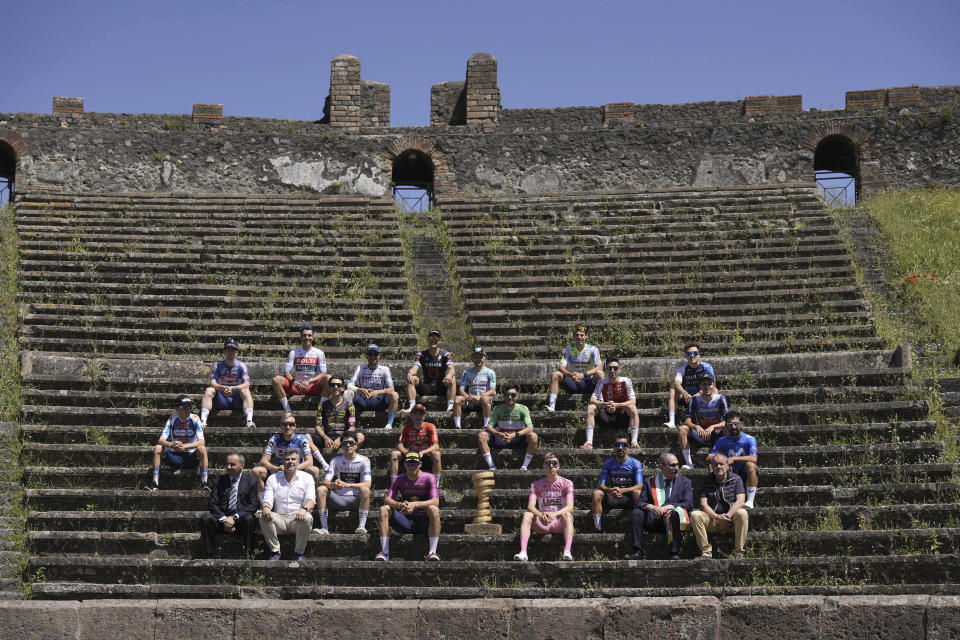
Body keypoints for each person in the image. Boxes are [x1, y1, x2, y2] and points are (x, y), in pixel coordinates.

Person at [376, 451, 441, 561]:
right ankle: (385, 552)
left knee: (434, 509)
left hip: (423, 520)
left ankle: (432, 552)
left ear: (420, 464)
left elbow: (435, 501)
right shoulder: (399, 479)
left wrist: (414, 505)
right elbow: (387, 499)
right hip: (405, 520)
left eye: (414, 463)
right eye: (409, 463)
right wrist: (400, 505)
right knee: (384, 509)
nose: (411, 466)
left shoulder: (429, 478)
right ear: (404, 464)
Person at [627, 452, 694, 560]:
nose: (676, 468)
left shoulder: (685, 482)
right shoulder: (650, 482)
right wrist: (651, 507)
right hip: (653, 519)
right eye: (672, 465)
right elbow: (640, 502)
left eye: (677, 464)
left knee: (677, 513)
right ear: (661, 467)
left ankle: (674, 552)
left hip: (673, 520)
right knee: (637, 512)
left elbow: (688, 504)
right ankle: (637, 551)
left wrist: (666, 508)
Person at [513, 452, 575, 561]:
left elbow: (570, 507)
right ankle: (523, 552)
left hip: (559, 521)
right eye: (548, 463)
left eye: (554, 463)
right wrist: (541, 515)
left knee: (567, 514)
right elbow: (530, 506)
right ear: (544, 466)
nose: (551, 466)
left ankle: (567, 551)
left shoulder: (567, 483)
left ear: (558, 466)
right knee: (527, 515)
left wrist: (554, 514)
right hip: (542, 521)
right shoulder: (536, 484)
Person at [260, 448, 316, 563]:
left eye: (293, 459)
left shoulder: (307, 478)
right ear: (282, 462)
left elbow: (311, 500)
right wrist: (266, 508)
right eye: (287, 459)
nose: (290, 461)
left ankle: (298, 553)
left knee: (308, 517)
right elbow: (268, 498)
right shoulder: (273, 478)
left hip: (297, 518)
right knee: (263, 516)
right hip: (279, 519)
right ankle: (275, 552)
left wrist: (304, 509)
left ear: (298, 462)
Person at [199, 452, 260, 556]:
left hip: (241, 520)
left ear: (242, 466)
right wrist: (224, 519)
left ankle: (249, 554)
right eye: (227, 464)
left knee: (249, 519)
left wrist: (234, 518)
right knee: (206, 519)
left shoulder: (251, 481)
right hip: (222, 520)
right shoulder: (219, 481)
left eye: (232, 464)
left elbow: (253, 505)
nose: (228, 467)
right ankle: (209, 554)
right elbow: (212, 503)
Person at [690, 452, 749, 558]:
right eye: (715, 464)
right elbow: (703, 505)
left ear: (727, 466)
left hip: (731, 521)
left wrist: (727, 517)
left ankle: (739, 552)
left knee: (742, 513)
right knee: (695, 515)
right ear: (711, 467)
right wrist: (717, 518)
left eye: (721, 464)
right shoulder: (707, 481)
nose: (718, 467)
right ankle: (706, 552)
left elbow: (740, 501)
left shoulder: (736, 479)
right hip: (713, 520)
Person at [144, 396, 208, 491]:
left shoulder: (195, 418)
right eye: (185, 407)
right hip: (175, 457)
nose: (188, 409)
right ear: (177, 408)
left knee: (202, 449)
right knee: (158, 448)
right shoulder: (172, 419)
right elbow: (161, 440)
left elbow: (202, 442)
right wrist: (171, 444)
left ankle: (204, 483)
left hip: (191, 457)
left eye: (190, 406)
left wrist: (185, 446)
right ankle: (155, 483)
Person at [252, 413, 325, 496]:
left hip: (298, 470)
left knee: (314, 470)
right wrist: (275, 468)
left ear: (295, 426)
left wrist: (292, 468)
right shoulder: (275, 439)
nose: (288, 427)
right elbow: (263, 461)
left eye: (291, 424)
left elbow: (309, 462)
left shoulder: (302, 439)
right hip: (280, 470)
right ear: (280, 426)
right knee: (257, 471)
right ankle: (262, 501)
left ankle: (312, 498)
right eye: (285, 424)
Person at [315, 435, 372, 535]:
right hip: (339, 499)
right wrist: (333, 485)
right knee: (321, 489)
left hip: (357, 500)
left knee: (365, 490)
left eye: (351, 443)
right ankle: (324, 528)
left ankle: (362, 527)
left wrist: (347, 485)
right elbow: (326, 482)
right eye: (345, 443)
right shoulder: (335, 460)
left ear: (356, 446)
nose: (348, 445)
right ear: (341, 446)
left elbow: (368, 484)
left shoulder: (365, 460)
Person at [582, 357, 639, 449]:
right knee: (591, 407)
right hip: (607, 418)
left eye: (615, 368)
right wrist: (605, 404)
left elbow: (633, 401)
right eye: (609, 368)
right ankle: (588, 443)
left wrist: (616, 405)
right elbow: (592, 400)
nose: (612, 370)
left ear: (620, 370)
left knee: (632, 408)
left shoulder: (626, 381)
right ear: (606, 370)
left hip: (622, 417)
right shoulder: (601, 382)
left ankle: (634, 442)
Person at [590, 435, 643, 532]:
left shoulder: (636, 463)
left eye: (624, 445)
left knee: (637, 493)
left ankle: (638, 527)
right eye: (617, 445)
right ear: (613, 447)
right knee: (596, 493)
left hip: (628, 497)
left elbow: (640, 485)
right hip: (613, 495)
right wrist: (609, 490)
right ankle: (597, 527)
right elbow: (602, 484)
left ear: (628, 447)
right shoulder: (607, 463)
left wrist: (622, 490)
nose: (620, 447)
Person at [478, 385, 538, 471]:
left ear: (517, 396)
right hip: (501, 439)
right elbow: (489, 426)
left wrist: (514, 435)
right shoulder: (497, 408)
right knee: (482, 435)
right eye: (507, 395)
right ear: (503, 396)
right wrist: (499, 434)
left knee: (534, 436)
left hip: (517, 439)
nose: (510, 397)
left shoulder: (523, 409)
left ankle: (524, 466)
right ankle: (491, 466)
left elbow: (530, 428)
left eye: (513, 395)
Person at [272, 324, 330, 412]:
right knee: (276, 380)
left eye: (309, 335)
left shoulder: (319, 353)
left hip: (313, 386)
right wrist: (294, 381)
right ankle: (288, 410)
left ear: (313, 338)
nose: (307, 337)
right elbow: (286, 372)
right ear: (301, 338)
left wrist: (309, 381)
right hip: (297, 386)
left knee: (328, 378)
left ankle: (321, 409)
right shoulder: (294, 352)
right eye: (304, 335)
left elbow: (324, 373)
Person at [199, 338, 255, 429]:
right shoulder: (218, 366)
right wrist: (223, 388)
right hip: (222, 399)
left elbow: (247, 384)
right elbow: (212, 383)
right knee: (209, 390)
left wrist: (233, 388)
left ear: (236, 353)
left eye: (232, 350)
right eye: (228, 350)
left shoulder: (241, 366)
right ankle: (203, 421)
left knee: (246, 391)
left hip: (237, 399)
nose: (230, 353)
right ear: (224, 352)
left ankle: (249, 421)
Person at [676, 373, 728, 470]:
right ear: (700, 386)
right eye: (704, 384)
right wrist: (696, 427)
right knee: (682, 429)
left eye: (709, 384)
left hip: (716, 434)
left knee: (728, 428)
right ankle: (689, 463)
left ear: (714, 385)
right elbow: (687, 421)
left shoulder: (721, 398)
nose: (707, 387)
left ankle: (727, 460)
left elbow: (727, 421)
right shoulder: (694, 400)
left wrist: (713, 427)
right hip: (700, 434)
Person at [708, 411, 759, 508]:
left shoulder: (750, 439)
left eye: (736, 424)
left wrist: (734, 459)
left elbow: (754, 458)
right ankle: (713, 497)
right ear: (726, 426)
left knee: (751, 465)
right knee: (711, 466)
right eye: (730, 425)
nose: (733, 427)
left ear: (742, 425)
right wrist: (724, 463)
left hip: (745, 471)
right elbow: (709, 457)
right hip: (728, 472)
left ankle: (750, 501)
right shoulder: (721, 441)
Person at [545, 325, 602, 411]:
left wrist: (584, 374)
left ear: (586, 336)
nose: (579, 337)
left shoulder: (593, 349)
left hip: (588, 383)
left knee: (600, 373)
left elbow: (599, 367)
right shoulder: (568, 349)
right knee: (555, 374)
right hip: (573, 382)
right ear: (573, 336)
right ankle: (552, 406)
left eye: (582, 335)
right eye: (577, 335)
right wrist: (570, 375)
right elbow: (561, 367)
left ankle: (602, 404)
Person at [664, 342, 714, 429]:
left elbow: (713, 384)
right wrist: (685, 393)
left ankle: (714, 419)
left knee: (715, 391)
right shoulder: (682, 369)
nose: (692, 356)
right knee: (673, 391)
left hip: (702, 395)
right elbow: (677, 383)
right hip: (687, 398)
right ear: (686, 356)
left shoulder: (706, 367)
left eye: (694, 353)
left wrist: (700, 393)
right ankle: (672, 421)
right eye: (689, 354)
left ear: (699, 355)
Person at [348, 344, 399, 429]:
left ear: (379, 356)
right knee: (348, 393)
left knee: (395, 395)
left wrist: (377, 392)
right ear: (366, 356)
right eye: (370, 354)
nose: (372, 356)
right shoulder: (360, 368)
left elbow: (391, 389)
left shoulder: (384, 369)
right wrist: (360, 389)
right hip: (363, 401)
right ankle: (350, 424)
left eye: (375, 354)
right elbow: (349, 386)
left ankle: (389, 424)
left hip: (379, 402)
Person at [406, 329, 456, 412]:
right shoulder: (421, 354)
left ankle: (450, 406)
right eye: (431, 338)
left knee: (452, 378)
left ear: (440, 340)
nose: (433, 340)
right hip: (427, 386)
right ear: (428, 340)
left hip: (441, 386)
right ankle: (412, 406)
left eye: (436, 338)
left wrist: (449, 375)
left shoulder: (445, 354)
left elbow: (451, 368)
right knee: (412, 377)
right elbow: (415, 367)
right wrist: (410, 373)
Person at [313, 375, 364, 453]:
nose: (336, 387)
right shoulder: (322, 405)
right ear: (329, 388)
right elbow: (317, 426)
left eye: (339, 385)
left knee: (360, 437)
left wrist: (340, 439)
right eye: (332, 385)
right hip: (327, 438)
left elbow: (352, 427)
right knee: (307, 437)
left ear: (343, 388)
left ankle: (350, 457)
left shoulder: (349, 405)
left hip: (344, 438)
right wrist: (325, 438)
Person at [391, 404, 441, 479]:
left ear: (424, 416)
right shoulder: (406, 427)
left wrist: (423, 452)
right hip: (411, 456)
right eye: (415, 414)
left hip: (425, 456)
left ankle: (435, 483)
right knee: (394, 454)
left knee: (437, 454)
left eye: (421, 414)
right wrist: (406, 452)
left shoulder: (430, 426)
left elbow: (436, 446)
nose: (418, 417)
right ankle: (393, 482)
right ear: (411, 415)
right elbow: (399, 445)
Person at [453, 347, 497, 429]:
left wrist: (480, 396)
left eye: (480, 357)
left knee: (485, 399)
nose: (478, 359)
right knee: (457, 399)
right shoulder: (467, 372)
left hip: (483, 400)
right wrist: (467, 396)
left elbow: (493, 391)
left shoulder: (490, 372)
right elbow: (461, 389)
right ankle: (457, 426)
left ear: (484, 358)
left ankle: (486, 426)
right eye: (475, 357)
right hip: (470, 400)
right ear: (472, 359)